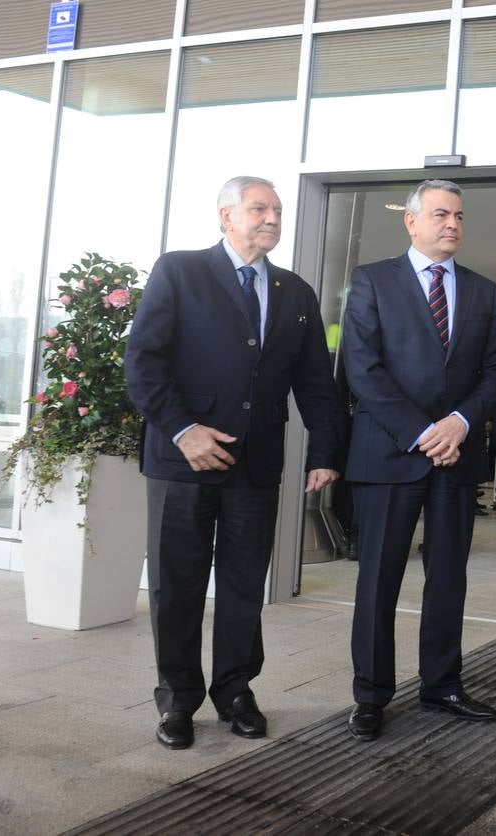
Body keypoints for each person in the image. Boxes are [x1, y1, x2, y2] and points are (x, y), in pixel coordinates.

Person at [125, 176, 346, 750]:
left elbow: (315, 383)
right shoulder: (180, 271)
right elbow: (143, 363)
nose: (272, 217)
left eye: (277, 209)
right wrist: (181, 430)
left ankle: (236, 692)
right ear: (226, 217)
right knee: (177, 586)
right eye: (258, 208)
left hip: (256, 467)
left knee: (246, 586)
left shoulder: (295, 291)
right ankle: (177, 701)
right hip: (183, 465)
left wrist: (324, 452)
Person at [340, 179, 496, 742]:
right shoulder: (371, 281)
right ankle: (371, 695)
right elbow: (362, 369)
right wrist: (421, 432)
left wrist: (459, 423)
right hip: (389, 454)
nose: (452, 224)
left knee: (448, 581)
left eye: (459, 216)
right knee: (378, 581)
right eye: (440, 214)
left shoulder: (484, 292)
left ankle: (442, 685)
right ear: (410, 222)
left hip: (456, 459)